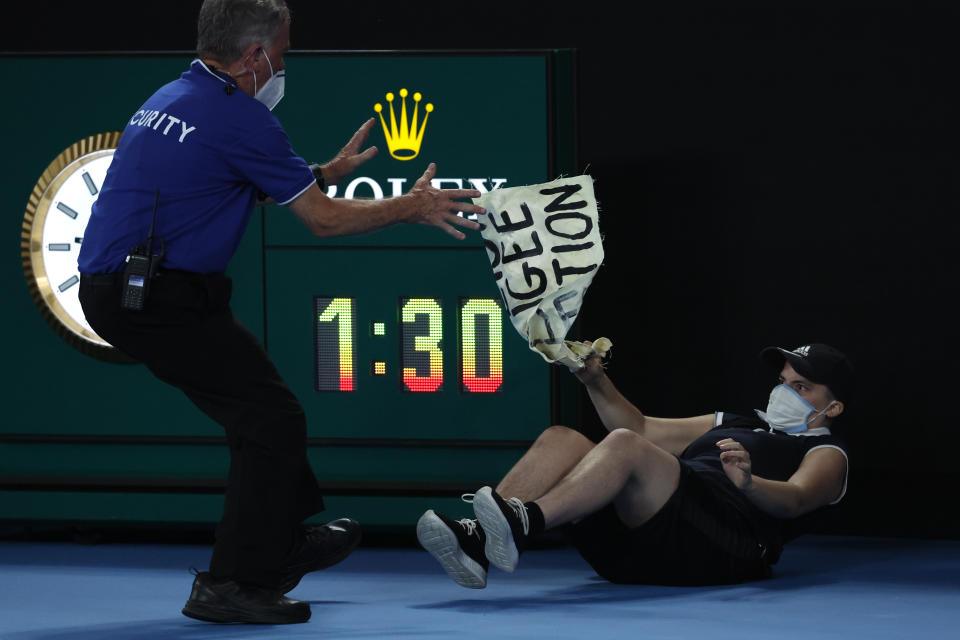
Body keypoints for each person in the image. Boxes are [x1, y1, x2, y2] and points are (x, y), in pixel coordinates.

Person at [76, 0, 484, 625]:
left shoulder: (174, 95)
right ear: (255, 56)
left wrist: (318, 171)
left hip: (130, 289)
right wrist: (408, 206)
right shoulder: (239, 117)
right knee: (269, 419)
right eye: (284, 55)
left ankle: (276, 544)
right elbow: (320, 219)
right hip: (156, 297)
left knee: (264, 410)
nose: (283, 66)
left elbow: (215, 179)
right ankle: (232, 583)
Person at [417, 342, 853, 588]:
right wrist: (596, 381)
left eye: (802, 386)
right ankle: (480, 544)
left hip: (721, 550)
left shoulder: (826, 454)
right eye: (783, 383)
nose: (785, 393)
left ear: (832, 408)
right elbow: (640, 426)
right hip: (640, 547)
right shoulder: (737, 423)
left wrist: (749, 483)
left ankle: (523, 522)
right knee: (562, 438)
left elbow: (796, 500)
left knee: (623, 446)